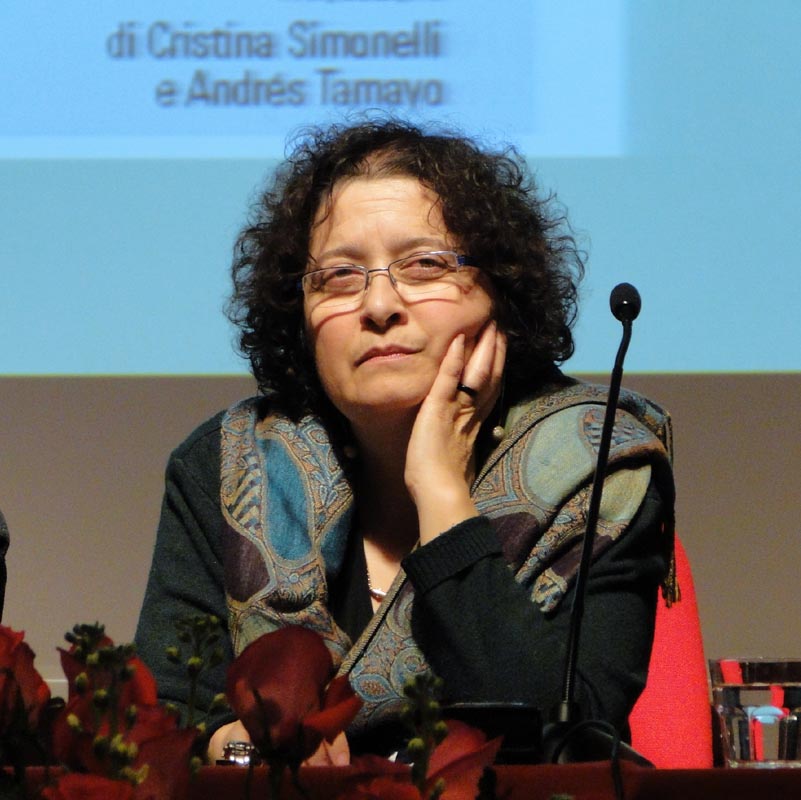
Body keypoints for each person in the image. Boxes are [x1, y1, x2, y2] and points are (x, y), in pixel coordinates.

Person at [134, 118, 675, 762]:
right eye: (339, 275)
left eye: (424, 265)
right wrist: (241, 747)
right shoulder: (229, 466)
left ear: (500, 294)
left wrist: (442, 493)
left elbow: (565, 743)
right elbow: (162, 726)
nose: (379, 305)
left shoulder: (597, 463)